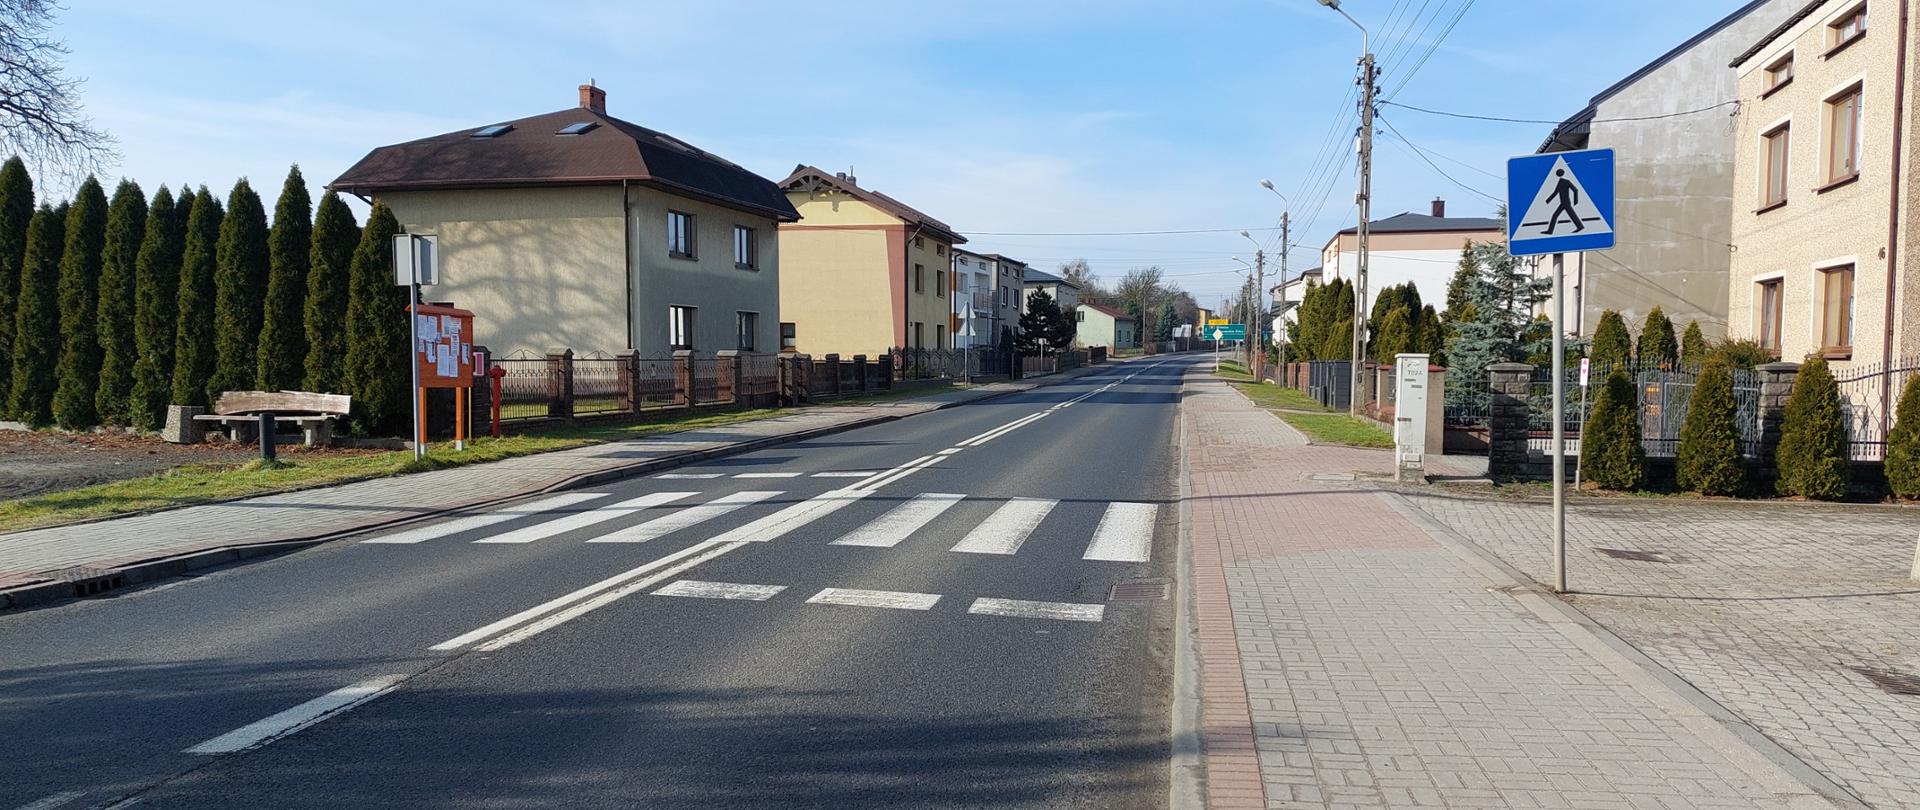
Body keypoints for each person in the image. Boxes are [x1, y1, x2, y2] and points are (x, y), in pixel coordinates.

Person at [1544, 168, 1585, 235]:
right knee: (1565, 215)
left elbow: (1575, 190)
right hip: (1563, 203)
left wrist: (1576, 201)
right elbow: (1555, 192)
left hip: (1566, 203)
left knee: (1558, 215)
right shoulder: (1560, 182)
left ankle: (1550, 231)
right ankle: (1550, 231)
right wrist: (1547, 200)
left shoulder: (1566, 181)